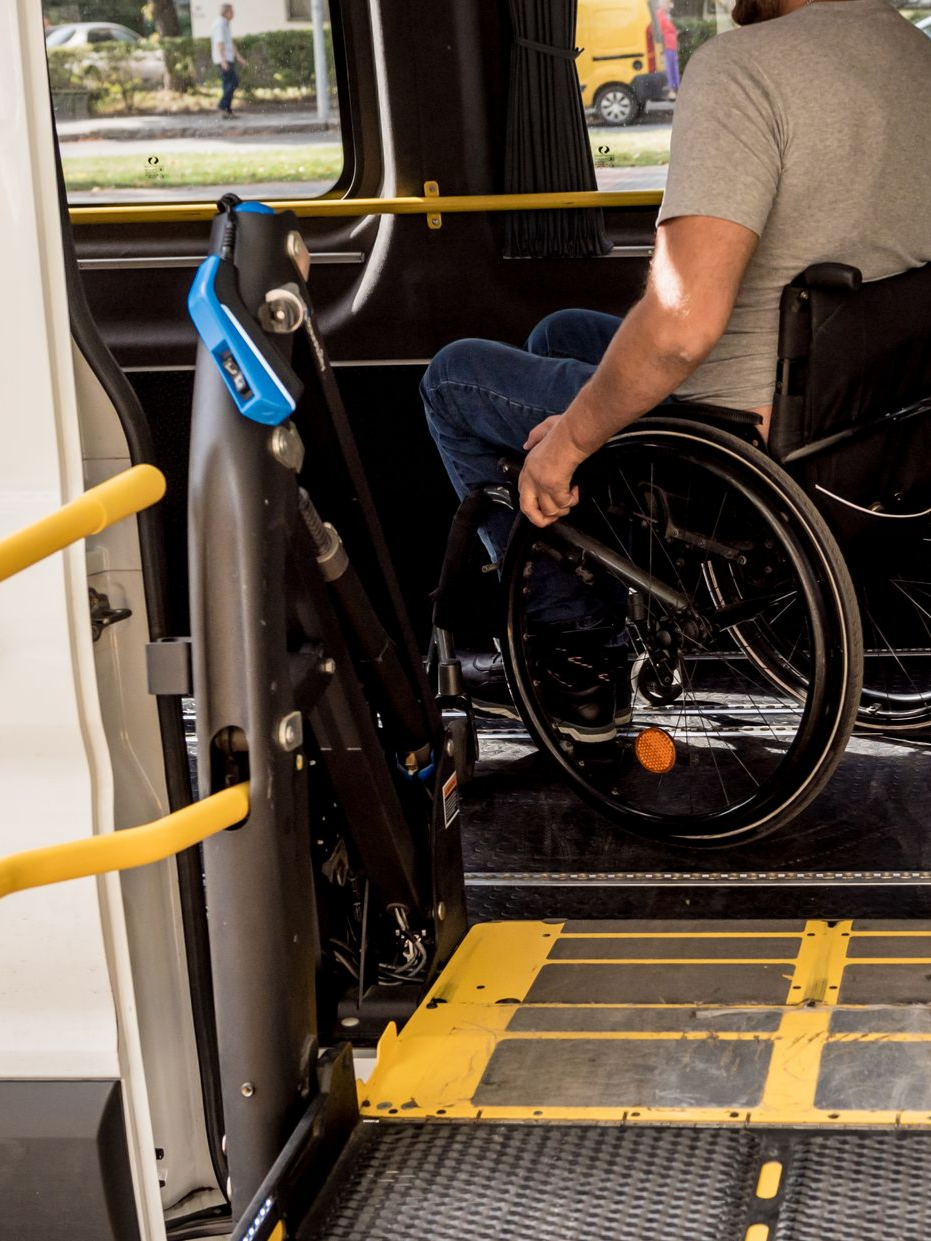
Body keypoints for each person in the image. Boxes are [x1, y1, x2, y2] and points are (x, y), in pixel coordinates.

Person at [422, 0, 931, 737]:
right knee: (560, 332)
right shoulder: (915, 57)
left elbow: (678, 326)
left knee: (453, 380)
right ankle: (609, 604)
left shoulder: (743, 66)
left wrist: (567, 444)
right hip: (874, 428)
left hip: (746, 436)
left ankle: (577, 660)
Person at [212, 4, 247, 118]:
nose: (233, 14)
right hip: (224, 59)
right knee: (232, 82)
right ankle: (223, 106)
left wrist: (239, 58)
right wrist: (223, 60)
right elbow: (219, 42)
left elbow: (230, 44)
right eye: (231, 12)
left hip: (228, 58)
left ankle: (227, 110)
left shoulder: (225, 24)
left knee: (229, 84)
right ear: (226, 12)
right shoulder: (220, 24)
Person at [658, 0, 681, 98]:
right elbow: (660, 31)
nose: (670, 6)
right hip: (667, 46)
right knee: (670, 68)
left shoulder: (666, 15)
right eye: (667, 4)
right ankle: (673, 89)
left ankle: (676, 88)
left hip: (671, 46)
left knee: (673, 68)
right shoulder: (660, 14)